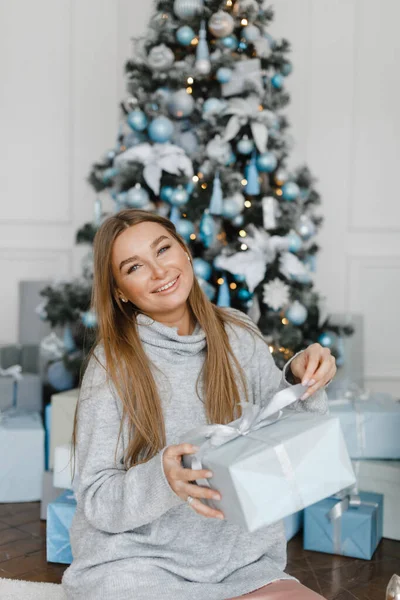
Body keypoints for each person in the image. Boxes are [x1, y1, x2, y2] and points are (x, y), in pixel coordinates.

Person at [62, 208, 336, 600]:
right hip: (136, 565)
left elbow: (285, 444)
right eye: (135, 266)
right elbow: (96, 499)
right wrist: (164, 478)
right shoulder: (112, 365)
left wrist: (300, 381)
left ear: (184, 252)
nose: (159, 271)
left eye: (163, 249)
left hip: (240, 565)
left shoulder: (239, 335)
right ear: (120, 290)